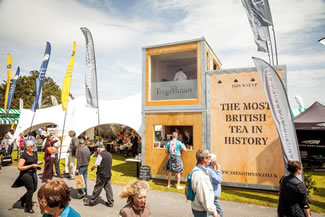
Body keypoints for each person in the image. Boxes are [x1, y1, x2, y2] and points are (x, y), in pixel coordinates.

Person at [12, 140, 39, 213]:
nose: (33, 147)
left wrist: (36, 165)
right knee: (30, 189)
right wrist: (31, 165)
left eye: (33, 145)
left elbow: (34, 162)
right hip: (26, 174)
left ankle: (22, 200)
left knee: (34, 188)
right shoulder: (24, 155)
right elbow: (19, 167)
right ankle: (28, 207)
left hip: (33, 173)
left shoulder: (34, 153)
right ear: (27, 147)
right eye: (31, 146)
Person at [191, 149, 219, 217]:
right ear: (204, 159)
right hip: (202, 210)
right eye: (209, 157)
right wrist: (214, 213)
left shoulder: (196, 169)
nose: (210, 159)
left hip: (197, 207)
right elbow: (204, 197)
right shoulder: (201, 175)